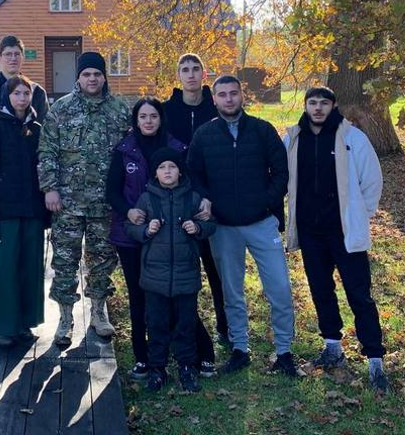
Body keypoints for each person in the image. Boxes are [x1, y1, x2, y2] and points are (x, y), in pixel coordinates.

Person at [187, 75, 297, 377]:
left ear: (241, 95)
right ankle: (240, 349)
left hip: (261, 223)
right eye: (222, 95)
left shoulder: (262, 131)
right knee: (231, 291)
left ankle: (284, 351)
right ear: (215, 99)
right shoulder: (204, 135)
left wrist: (265, 202)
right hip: (222, 227)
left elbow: (282, 173)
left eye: (233, 93)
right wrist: (206, 200)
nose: (228, 99)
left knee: (280, 288)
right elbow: (194, 175)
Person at [282, 86, 388, 392]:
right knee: (321, 290)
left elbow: (372, 181)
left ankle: (375, 359)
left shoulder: (353, 139)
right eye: (312, 103)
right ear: (305, 105)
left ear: (333, 105)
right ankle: (332, 347)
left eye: (323, 103)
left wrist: (359, 214)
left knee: (359, 294)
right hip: (310, 231)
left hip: (344, 232)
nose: (317, 108)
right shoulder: (292, 139)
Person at [106, 98, 217, 380]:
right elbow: (112, 191)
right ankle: (144, 357)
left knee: (179, 294)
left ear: (160, 118)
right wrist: (128, 211)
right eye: (142, 116)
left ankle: (197, 352)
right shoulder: (124, 149)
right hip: (134, 232)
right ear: (136, 120)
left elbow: (194, 180)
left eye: (153, 116)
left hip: (174, 233)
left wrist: (204, 201)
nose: (148, 121)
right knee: (140, 295)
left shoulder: (177, 148)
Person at [38, 51, 130, 346]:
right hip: (68, 203)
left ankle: (99, 314)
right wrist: (50, 188)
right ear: (78, 77)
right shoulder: (61, 110)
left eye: (97, 74)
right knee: (65, 262)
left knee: (102, 260)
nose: (92, 79)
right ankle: (65, 318)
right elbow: (46, 151)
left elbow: (130, 152)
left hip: (105, 204)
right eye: (87, 74)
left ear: (104, 77)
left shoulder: (119, 110)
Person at [126, 147, 216, 393]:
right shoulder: (147, 198)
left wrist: (197, 228)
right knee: (156, 323)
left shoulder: (192, 197)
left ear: (179, 171)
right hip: (154, 277)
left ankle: (187, 367)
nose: (167, 171)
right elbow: (131, 226)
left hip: (186, 275)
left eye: (172, 167)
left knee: (186, 323)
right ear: (155, 173)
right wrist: (145, 230)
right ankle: (157, 368)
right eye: (162, 167)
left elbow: (211, 225)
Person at [0, 75, 49, 347]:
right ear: (8, 97)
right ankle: (2, 327)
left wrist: (45, 212)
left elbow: (46, 169)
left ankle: (24, 323)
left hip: (31, 212)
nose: (21, 98)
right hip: (4, 215)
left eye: (25, 94)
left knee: (29, 268)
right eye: (16, 93)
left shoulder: (37, 129)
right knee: (5, 269)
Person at [162, 53, 230, 347]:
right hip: (176, 201)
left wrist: (212, 197)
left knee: (218, 270)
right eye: (184, 69)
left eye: (195, 69)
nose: (190, 74)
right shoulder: (166, 111)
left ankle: (226, 328)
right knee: (180, 270)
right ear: (178, 75)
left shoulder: (217, 109)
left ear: (204, 74)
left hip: (212, 202)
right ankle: (182, 331)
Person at [0, 35, 49, 164]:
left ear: (23, 57)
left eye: (17, 54)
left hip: (28, 167)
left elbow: (47, 137)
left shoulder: (37, 93)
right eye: (8, 54)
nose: (13, 58)